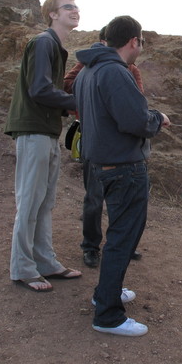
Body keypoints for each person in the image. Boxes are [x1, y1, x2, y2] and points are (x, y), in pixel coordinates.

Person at [73, 15, 169, 337]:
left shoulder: (89, 71)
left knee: (118, 235)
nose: (141, 47)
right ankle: (108, 315)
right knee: (122, 237)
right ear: (133, 41)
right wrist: (157, 118)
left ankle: (105, 293)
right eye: (141, 42)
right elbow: (135, 120)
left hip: (103, 166)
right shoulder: (114, 71)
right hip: (124, 169)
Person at [4, 0, 83, 292]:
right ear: (52, 14)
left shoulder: (56, 47)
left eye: (76, 6)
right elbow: (39, 90)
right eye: (68, 7)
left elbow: (48, 93)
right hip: (33, 129)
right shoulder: (44, 42)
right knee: (30, 202)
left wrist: (69, 106)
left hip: (46, 130)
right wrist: (80, 102)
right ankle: (23, 268)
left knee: (45, 201)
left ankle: (45, 262)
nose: (75, 11)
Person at [63, 25, 145, 270]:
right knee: (95, 198)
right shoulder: (90, 67)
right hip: (96, 139)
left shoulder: (131, 70)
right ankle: (91, 246)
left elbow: (137, 101)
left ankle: (122, 245)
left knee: (121, 201)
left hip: (121, 146)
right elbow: (69, 85)